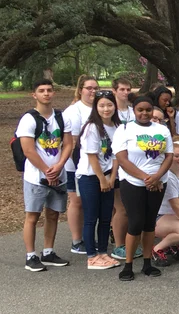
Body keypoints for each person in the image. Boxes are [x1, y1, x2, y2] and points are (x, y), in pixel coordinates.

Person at [112, 95, 173, 281]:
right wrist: (146, 178)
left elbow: (169, 156)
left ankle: (147, 262)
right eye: (140, 110)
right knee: (136, 222)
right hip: (133, 182)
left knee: (149, 223)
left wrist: (157, 177)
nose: (144, 113)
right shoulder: (124, 129)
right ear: (134, 110)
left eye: (148, 110)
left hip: (158, 181)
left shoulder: (162, 129)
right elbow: (122, 159)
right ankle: (128, 265)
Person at [16, 78, 73, 272]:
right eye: (42, 90)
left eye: (49, 90)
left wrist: (59, 166)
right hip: (36, 177)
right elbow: (28, 150)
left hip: (59, 175)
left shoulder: (61, 117)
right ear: (35, 95)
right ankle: (30, 255)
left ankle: (48, 252)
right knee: (32, 216)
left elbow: (68, 144)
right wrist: (46, 171)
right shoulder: (29, 119)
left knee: (53, 214)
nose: (46, 93)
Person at [76, 90, 121, 270]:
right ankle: (92, 256)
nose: (106, 109)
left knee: (105, 217)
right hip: (90, 177)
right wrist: (102, 179)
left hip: (109, 176)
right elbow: (92, 157)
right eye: (101, 105)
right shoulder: (91, 127)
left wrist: (112, 177)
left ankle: (103, 252)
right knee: (91, 217)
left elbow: (117, 155)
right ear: (96, 107)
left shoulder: (117, 126)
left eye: (109, 105)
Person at [64, 74, 99, 255]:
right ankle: (77, 240)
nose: (93, 91)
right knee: (76, 202)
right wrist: (78, 166)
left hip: (97, 165)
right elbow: (72, 143)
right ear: (80, 90)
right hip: (76, 165)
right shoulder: (74, 111)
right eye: (89, 88)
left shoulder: (100, 108)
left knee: (89, 203)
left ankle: (87, 238)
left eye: (95, 88)